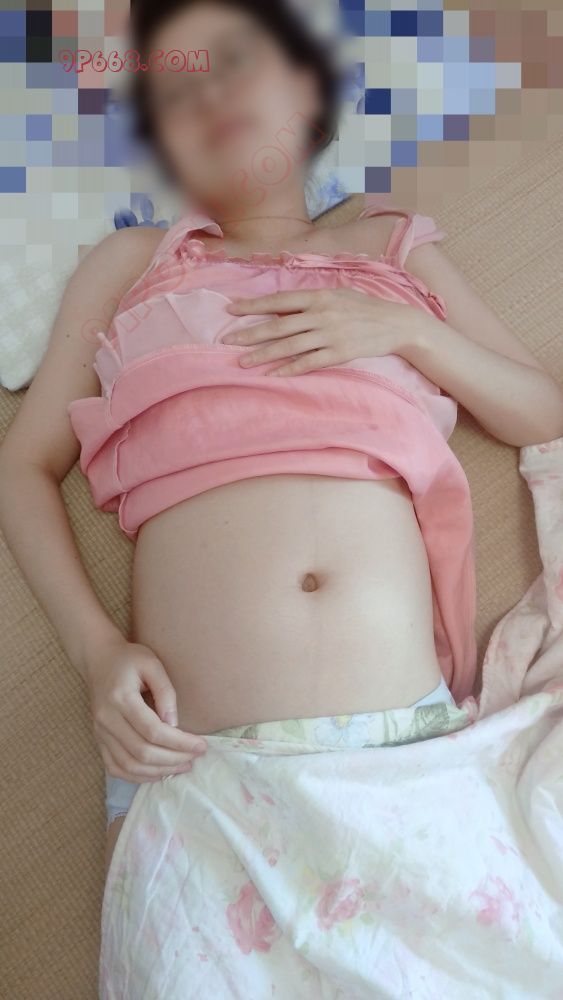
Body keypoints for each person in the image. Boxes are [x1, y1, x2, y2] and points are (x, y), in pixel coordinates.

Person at [1, 0, 562, 994]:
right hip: (205, 770)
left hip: (405, 763)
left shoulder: (389, 247)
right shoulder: (133, 266)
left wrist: (404, 332)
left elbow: (541, 412)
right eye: (176, 91)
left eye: (234, 61)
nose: (208, 93)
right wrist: (94, 653)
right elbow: (22, 465)